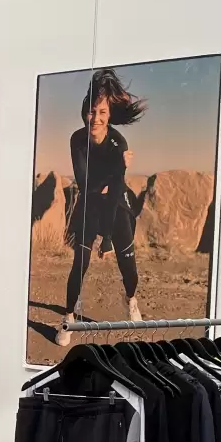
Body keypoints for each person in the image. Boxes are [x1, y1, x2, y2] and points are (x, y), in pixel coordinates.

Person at [56, 69, 147, 347]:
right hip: (90, 204)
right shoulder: (77, 140)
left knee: (128, 268)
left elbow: (116, 189)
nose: (96, 118)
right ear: (85, 112)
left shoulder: (119, 142)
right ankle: (68, 318)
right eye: (92, 112)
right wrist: (115, 169)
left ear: (109, 115)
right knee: (80, 264)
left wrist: (107, 238)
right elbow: (85, 182)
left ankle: (131, 300)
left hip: (116, 204)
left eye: (102, 113)